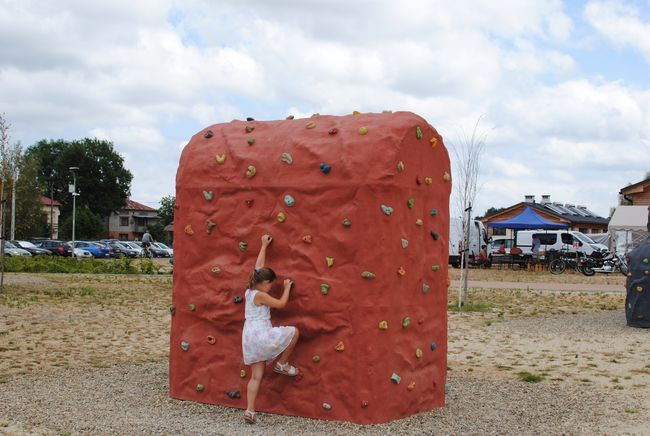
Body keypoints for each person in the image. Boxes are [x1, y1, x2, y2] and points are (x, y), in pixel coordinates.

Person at [242, 234, 299, 424]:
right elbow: (281, 304)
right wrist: (286, 287)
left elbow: (258, 267)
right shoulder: (261, 295)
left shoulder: (250, 291)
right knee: (294, 332)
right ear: (265, 284)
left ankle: (250, 410)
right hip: (261, 335)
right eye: (271, 285)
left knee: (256, 376)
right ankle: (282, 364)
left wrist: (263, 245)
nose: (271, 288)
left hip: (249, 338)